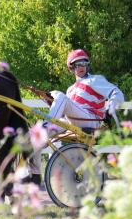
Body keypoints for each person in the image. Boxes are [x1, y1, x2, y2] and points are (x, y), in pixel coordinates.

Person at [28, 48, 124, 185]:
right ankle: (35, 176)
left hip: (92, 120)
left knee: (59, 96)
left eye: (84, 64)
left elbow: (117, 93)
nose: (81, 67)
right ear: (71, 68)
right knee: (35, 134)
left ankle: (45, 126)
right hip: (72, 122)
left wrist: (110, 108)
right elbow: (65, 109)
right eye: (77, 65)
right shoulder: (71, 89)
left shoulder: (95, 80)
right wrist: (48, 100)